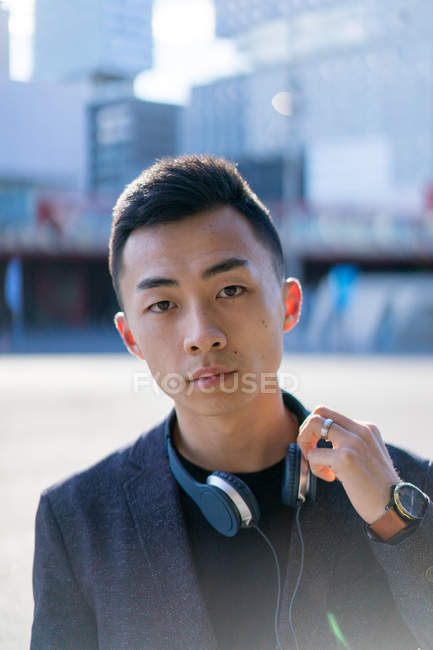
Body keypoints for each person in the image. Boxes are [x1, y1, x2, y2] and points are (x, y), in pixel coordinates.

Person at [31, 155, 433, 650]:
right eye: (162, 305)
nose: (202, 336)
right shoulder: (78, 520)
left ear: (287, 305)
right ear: (131, 336)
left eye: (231, 289)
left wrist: (399, 528)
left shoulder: (408, 489)